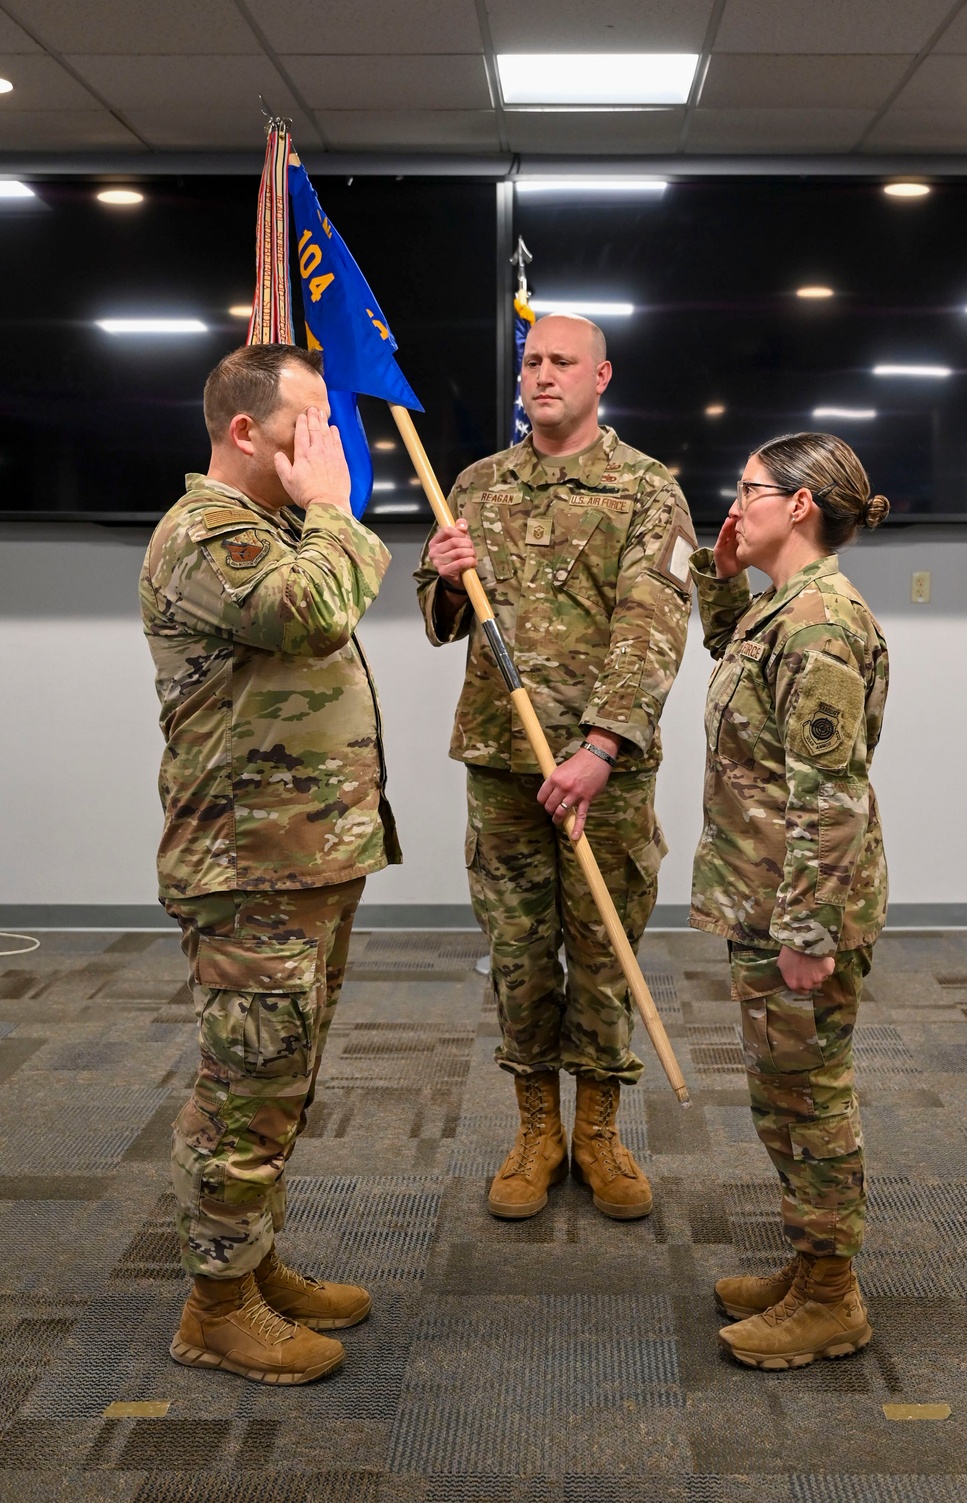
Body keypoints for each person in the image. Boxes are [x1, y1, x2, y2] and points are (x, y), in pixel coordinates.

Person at [139, 343, 400, 1386]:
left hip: (301, 860)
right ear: (246, 431)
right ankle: (214, 1308)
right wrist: (337, 511)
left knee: (279, 1080)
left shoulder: (271, 533)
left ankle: (250, 1265)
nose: (326, 442)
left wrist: (322, 520)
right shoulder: (204, 534)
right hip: (247, 867)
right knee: (245, 1088)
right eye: (310, 421)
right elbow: (312, 613)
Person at [414, 314, 695, 1222]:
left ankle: (600, 1131)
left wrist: (600, 747)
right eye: (531, 361)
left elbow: (652, 629)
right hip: (503, 764)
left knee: (605, 952)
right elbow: (445, 617)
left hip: (603, 774)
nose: (541, 375)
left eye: (561, 361)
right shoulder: (477, 484)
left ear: (601, 375)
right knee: (520, 955)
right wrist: (445, 574)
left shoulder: (648, 490)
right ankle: (537, 1128)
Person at [689, 431, 890, 1370]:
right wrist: (723, 573)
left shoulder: (819, 625)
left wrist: (807, 928)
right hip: (767, 896)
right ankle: (812, 1265)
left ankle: (832, 1296)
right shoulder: (781, 609)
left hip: (798, 909)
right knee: (785, 1096)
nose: (736, 504)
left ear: (801, 504)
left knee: (807, 1099)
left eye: (749, 488)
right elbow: (736, 669)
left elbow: (830, 791)